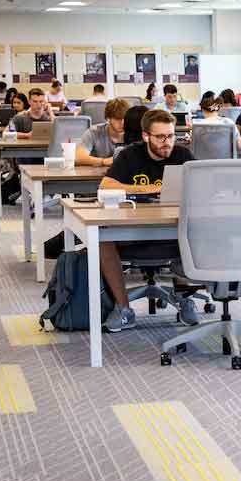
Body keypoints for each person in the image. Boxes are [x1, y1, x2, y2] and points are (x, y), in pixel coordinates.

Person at [97, 109, 196, 332]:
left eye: (171, 136)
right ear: (145, 136)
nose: (167, 143)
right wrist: (148, 189)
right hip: (135, 229)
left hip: (173, 229)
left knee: (193, 234)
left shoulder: (183, 156)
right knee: (102, 240)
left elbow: (203, 185)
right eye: (160, 137)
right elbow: (105, 186)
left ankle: (183, 298)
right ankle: (124, 308)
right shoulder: (130, 156)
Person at [75, 98, 129, 167]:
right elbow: (78, 157)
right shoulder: (94, 132)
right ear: (108, 119)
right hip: (97, 176)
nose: (122, 123)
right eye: (117, 119)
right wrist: (103, 161)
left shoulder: (135, 132)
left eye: (125, 119)